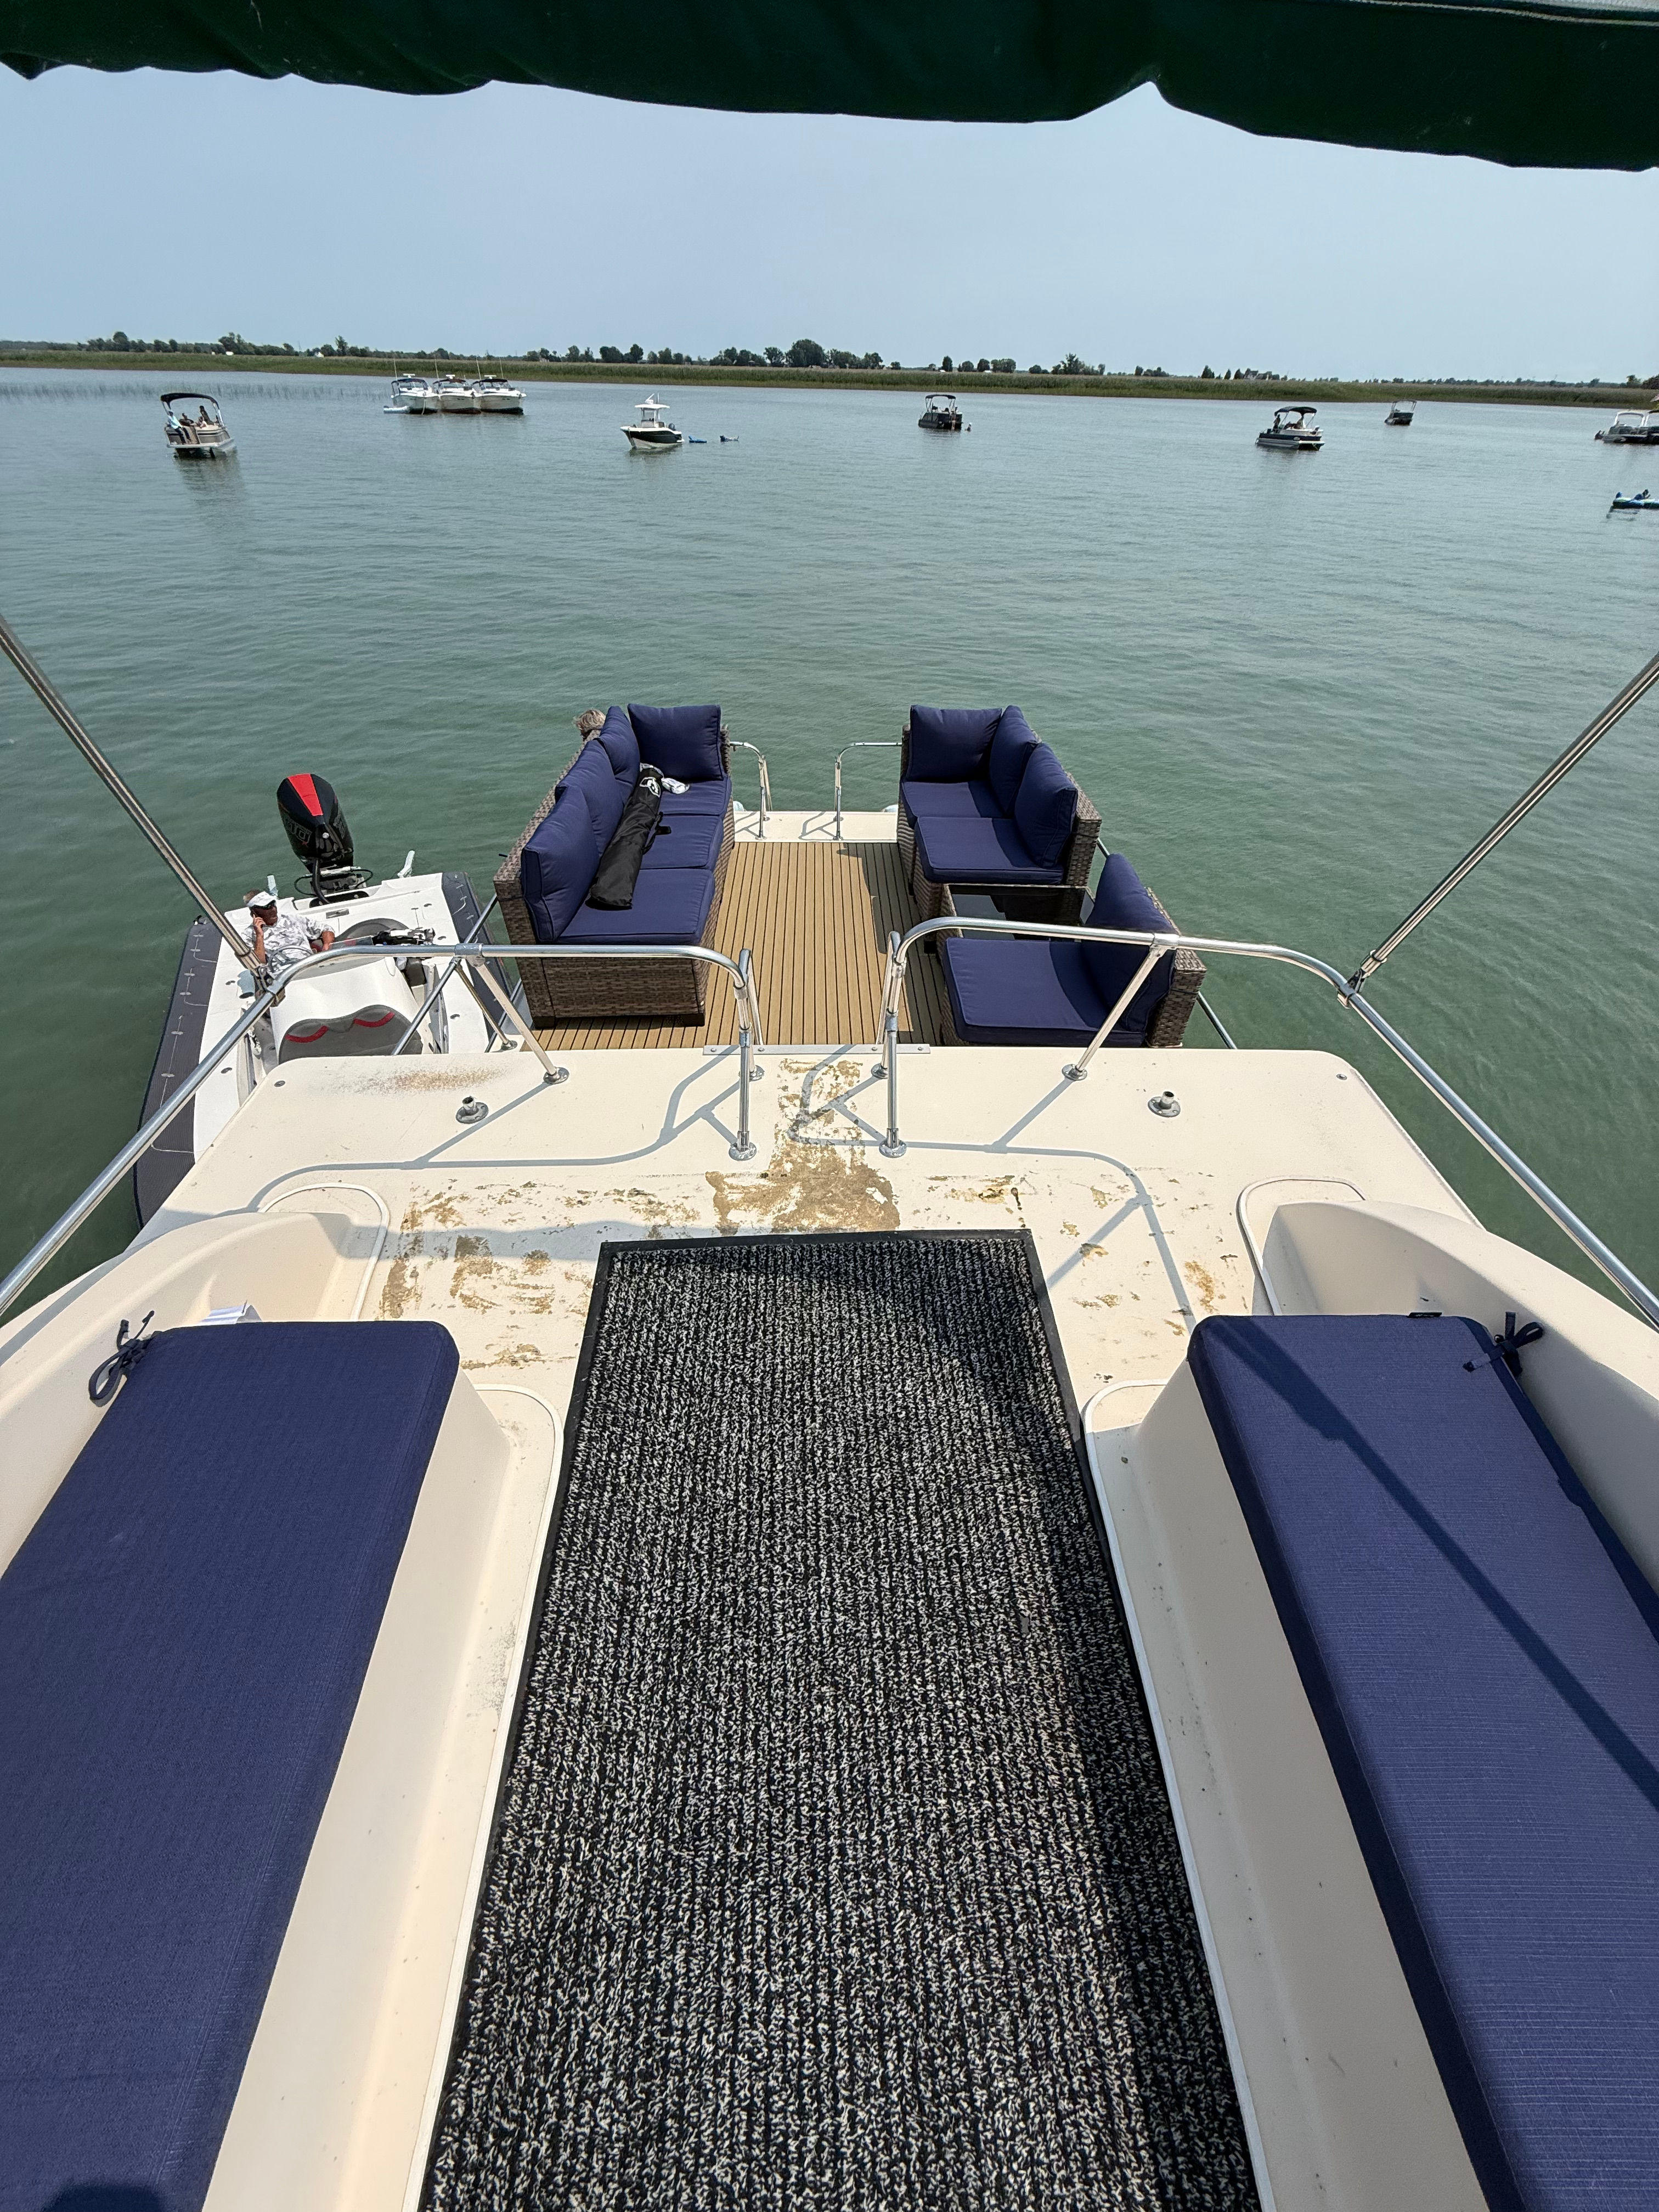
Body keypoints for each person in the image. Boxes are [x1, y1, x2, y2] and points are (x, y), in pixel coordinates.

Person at [245, 891, 333, 979]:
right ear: (254, 913)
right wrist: (259, 936)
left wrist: (327, 946)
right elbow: (258, 966)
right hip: (283, 977)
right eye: (267, 907)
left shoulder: (292, 919)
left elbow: (326, 929)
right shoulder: (249, 935)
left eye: (273, 904)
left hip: (310, 967)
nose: (273, 909)